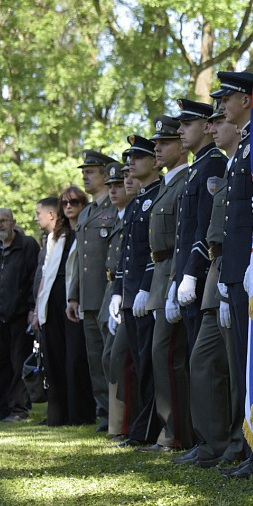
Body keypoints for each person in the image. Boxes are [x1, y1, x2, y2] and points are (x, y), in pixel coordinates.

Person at [180, 108, 245, 468]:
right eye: (211, 121)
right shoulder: (228, 166)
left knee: (236, 368)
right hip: (218, 272)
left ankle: (238, 443)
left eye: (219, 121)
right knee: (204, 361)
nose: (212, 127)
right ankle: (213, 442)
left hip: (235, 270)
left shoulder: (229, 164)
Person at [212, 70, 253, 480]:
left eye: (228, 98)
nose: (221, 106)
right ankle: (249, 448)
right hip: (236, 272)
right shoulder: (242, 146)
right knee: (241, 364)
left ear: (247, 99)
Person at [145, 115, 194, 453]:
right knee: (161, 355)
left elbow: (182, 237)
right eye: (156, 144)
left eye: (165, 143)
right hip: (161, 275)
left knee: (168, 354)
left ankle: (177, 434)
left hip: (175, 274)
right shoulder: (166, 184)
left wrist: (179, 279)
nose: (157, 149)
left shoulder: (186, 180)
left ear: (181, 146)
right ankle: (171, 432)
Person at [112, 134, 163, 447]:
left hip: (145, 293)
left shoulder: (156, 195)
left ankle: (147, 429)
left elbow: (152, 250)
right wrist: (119, 291)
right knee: (139, 361)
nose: (130, 164)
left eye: (137, 157)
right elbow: (126, 253)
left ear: (153, 162)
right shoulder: (138, 202)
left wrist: (145, 287)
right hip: (131, 294)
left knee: (147, 363)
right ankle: (141, 428)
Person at [65, 151, 117, 433]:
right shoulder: (86, 212)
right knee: (95, 360)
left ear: (107, 174)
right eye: (83, 171)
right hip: (88, 297)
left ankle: (120, 415)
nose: (85, 175)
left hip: (109, 294)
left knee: (111, 358)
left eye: (91, 171)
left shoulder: (117, 203)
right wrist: (73, 296)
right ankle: (106, 413)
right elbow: (79, 259)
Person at [32, 197, 95, 426]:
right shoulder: (54, 237)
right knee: (54, 358)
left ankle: (80, 414)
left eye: (74, 201)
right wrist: (38, 308)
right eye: (65, 203)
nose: (69, 206)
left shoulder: (83, 231)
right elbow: (45, 274)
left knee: (75, 358)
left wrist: (74, 297)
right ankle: (57, 415)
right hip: (52, 299)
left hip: (74, 298)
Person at [173, 98, 225, 348]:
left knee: (203, 359)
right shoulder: (197, 167)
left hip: (201, 275)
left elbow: (205, 226)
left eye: (186, 124)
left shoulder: (213, 163)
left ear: (207, 127)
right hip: (187, 275)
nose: (180, 130)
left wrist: (192, 273)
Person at [0, 208, 40, 422]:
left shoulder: (27, 245)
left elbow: (36, 277)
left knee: (18, 364)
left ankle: (19, 410)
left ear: (13, 222)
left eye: (3, 221)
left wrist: (33, 308)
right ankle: (2, 409)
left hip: (21, 313)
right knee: (0, 365)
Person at [104, 160, 141, 442]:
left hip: (142, 290)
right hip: (123, 289)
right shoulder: (123, 215)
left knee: (123, 357)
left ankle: (125, 425)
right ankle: (119, 424)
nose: (118, 188)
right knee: (112, 357)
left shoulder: (138, 209)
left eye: (124, 179)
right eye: (114, 184)